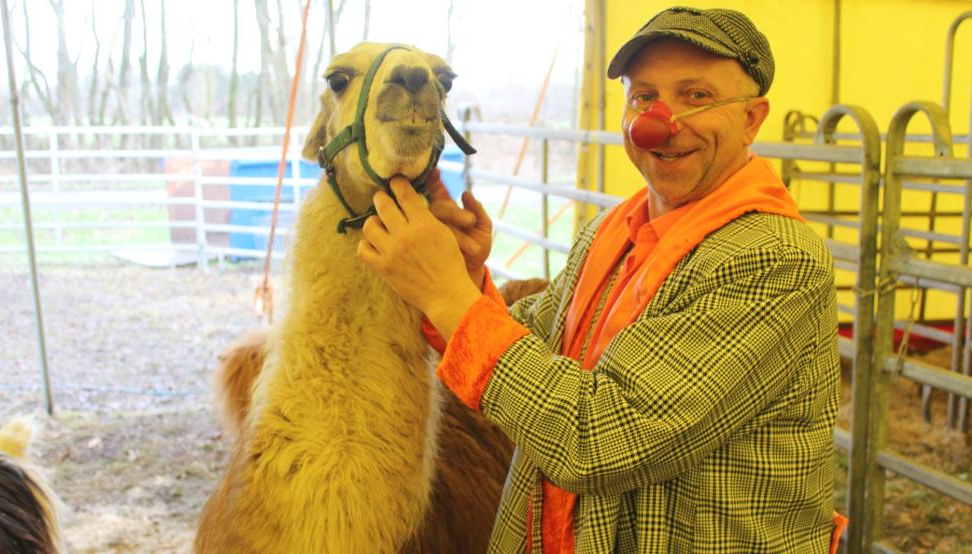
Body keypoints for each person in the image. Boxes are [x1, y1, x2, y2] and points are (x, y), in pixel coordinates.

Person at [358, 6, 843, 553]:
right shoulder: (617, 230)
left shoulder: (774, 261)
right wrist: (466, 281)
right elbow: (535, 352)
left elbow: (600, 440)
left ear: (752, 119)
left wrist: (449, 298)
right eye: (644, 97)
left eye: (696, 96)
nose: (659, 121)